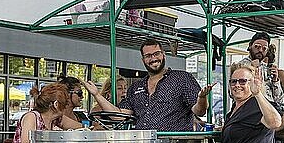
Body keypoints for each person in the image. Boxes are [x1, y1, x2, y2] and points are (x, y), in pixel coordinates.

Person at [84, 38, 215, 131]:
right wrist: (96, 94)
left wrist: (202, 98)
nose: (153, 58)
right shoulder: (135, 87)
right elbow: (118, 116)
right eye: (148, 56)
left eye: (156, 54)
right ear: (143, 60)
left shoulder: (182, 78)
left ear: (163, 55)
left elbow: (200, 111)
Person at [239, 32, 284, 111]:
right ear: (250, 46)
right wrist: (252, 69)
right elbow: (235, 93)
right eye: (257, 46)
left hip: (268, 111)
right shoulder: (241, 66)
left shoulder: (266, 68)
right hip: (249, 111)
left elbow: (278, 99)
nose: (260, 50)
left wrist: (275, 80)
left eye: (264, 48)